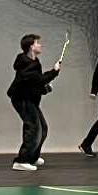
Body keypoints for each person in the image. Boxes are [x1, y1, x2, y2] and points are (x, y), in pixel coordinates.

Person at [8, 34, 60, 171]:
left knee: (43, 128)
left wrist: (46, 88)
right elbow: (38, 80)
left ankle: (32, 157)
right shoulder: (26, 64)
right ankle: (21, 161)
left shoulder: (34, 62)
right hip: (21, 99)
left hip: (29, 98)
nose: (40, 45)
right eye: (37, 43)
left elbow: (34, 84)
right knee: (33, 128)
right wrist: (54, 72)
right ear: (31, 46)